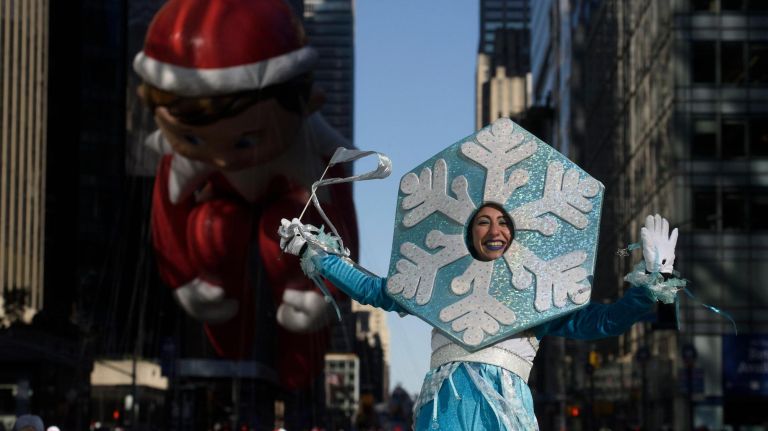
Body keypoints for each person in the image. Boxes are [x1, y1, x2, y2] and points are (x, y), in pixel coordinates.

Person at [132, 0, 358, 427]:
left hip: (290, 222)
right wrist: (188, 281)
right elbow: (167, 225)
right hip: (222, 230)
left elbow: (340, 225)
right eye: (195, 141)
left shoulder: (315, 149)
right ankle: (228, 321)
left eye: (243, 142)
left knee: (287, 232)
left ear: (306, 102)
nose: (221, 157)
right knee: (213, 226)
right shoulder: (178, 161)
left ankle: (297, 341)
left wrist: (325, 292)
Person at [279, 208, 682, 430]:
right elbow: (375, 291)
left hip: (508, 416)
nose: (495, 229)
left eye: (504, 221)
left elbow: (601, 323)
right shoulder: (438, 284)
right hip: (445, 411)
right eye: (484, 221)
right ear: (470, 233)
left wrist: (652, 282)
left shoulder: (536, 296)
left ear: (514, 233)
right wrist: (314, 253)